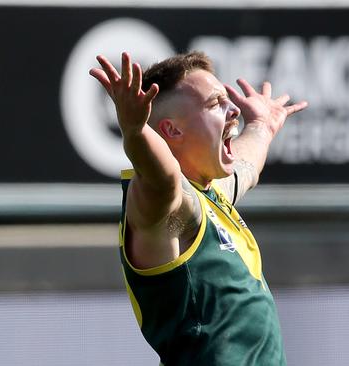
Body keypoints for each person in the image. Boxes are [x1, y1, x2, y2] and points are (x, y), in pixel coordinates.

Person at [89, 51, 307, 365]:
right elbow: (161, 177)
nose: (233, 110)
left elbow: (246, 167)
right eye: (216, 103)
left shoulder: (210, 199)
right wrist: (136, 134)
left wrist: (261, 126)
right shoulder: (167, 206)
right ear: (172, 131)